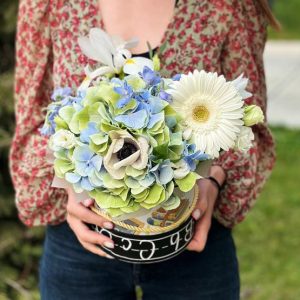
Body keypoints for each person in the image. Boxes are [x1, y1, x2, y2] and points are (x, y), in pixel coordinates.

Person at [10, 0, 279, 299]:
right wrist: (69, 183)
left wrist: (214, 179)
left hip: (192, 246)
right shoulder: (49, 4)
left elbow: (247, 119)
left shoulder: (226, 6)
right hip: (80, 250)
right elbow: (34, 118)